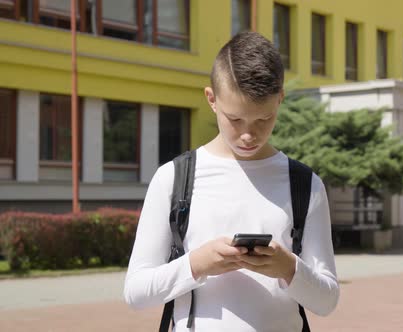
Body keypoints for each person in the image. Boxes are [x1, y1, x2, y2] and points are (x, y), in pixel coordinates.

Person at [124, 31, 339, 331]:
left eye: (263, 119)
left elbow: (327, 301)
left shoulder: (305, 184)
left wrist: (288, 269)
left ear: (280, 99)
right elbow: (135, 292)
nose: (248, 135)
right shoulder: (173, 179)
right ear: (211, 99)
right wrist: (195, 264)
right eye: (235, 119)